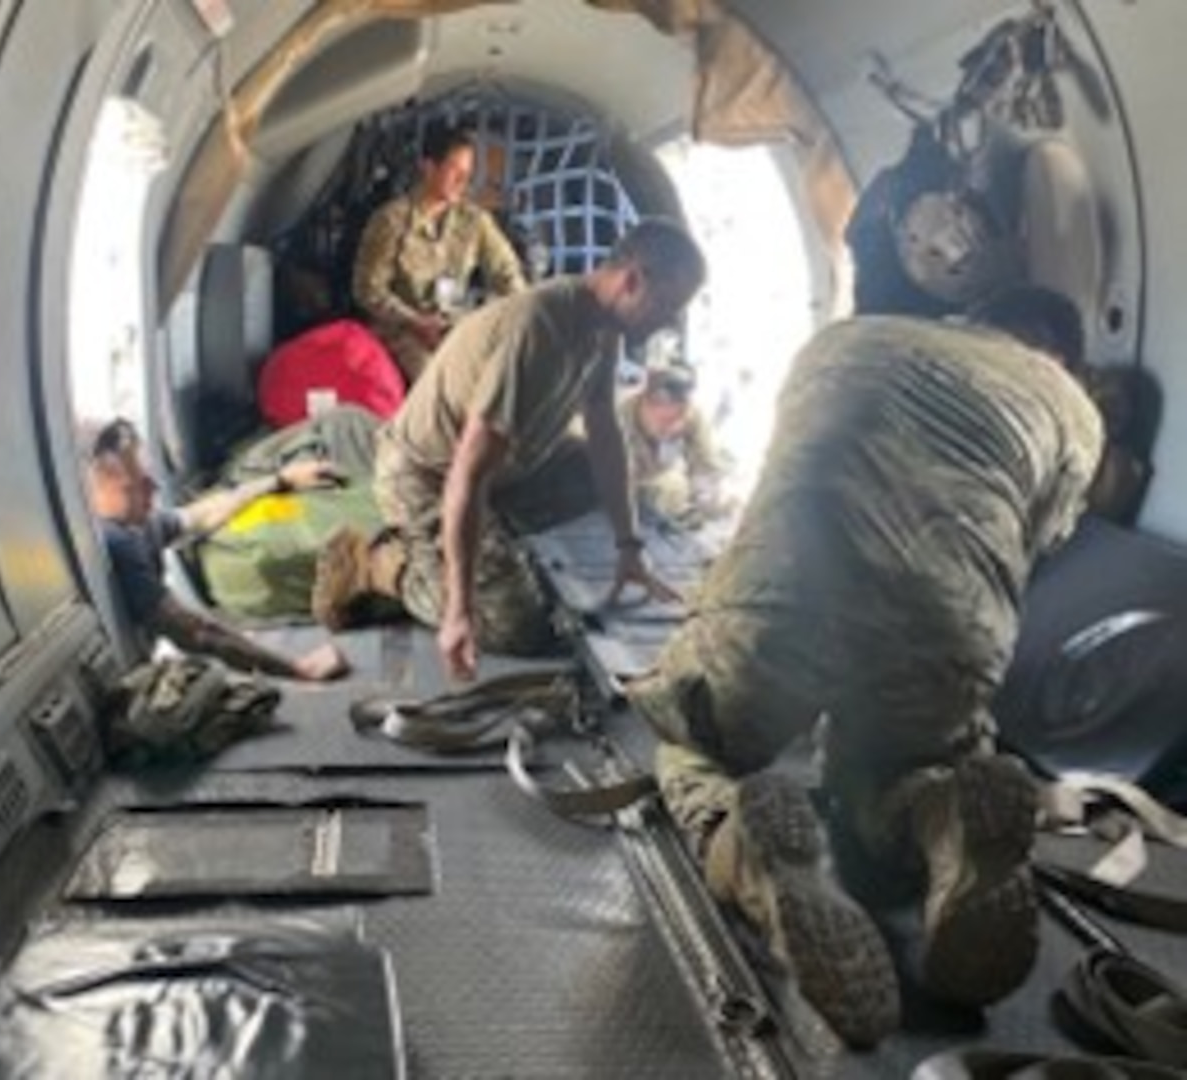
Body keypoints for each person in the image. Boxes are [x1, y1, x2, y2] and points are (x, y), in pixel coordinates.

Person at [628, 286, 1104, 1047]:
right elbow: (1033, 550)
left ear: (968, 320)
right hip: (949, 612)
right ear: (1062, 359)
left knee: (696, 739)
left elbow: (787, 474)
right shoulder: (1072, 409)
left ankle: (751, 850)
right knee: (900, 769)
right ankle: (943, 820)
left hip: (779, 592)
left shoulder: (849, 339)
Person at [314, 218, 708, 681]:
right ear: (632, 281)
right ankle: (380, 565)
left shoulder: (602, 327)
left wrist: (629, 546)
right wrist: (458, 611)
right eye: (668, 305)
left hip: (509, 465)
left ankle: (492, 540)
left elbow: (604, 429)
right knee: (516, 624)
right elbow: (468, 472)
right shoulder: (539, 330)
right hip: (427, 475)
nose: (670, 321)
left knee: (605, 479)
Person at [87, 418, 350, 681]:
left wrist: (280, 480)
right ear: (93, 495)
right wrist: (295, 669)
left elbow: (201, 515)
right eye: (134, 487)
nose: (153, 489)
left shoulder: (138, 524)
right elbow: (196, 633)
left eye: (148, 479)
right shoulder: (117, 542)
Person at [352, 122, 527, 383]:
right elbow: (368, 289)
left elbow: (507, 272)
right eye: (454, 169)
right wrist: (415, 322)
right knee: (432, 378)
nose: (462, 181)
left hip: (454, 325)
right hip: (402, 331)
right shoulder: (391, 221)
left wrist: (518, 314)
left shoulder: (475, 221)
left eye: (467, 173)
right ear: (429, 167)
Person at [618, 352, 733, 530]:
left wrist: (706, 496)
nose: (675, 427)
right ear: (644, 404)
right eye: (666, 421)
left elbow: (705, 464)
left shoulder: (692, 415)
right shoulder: (614, 420)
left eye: (681, 416)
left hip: (660, 494)